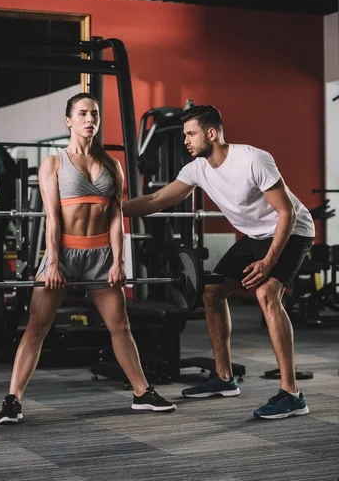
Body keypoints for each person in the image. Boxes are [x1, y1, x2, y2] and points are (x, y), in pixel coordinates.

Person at [123, 104, 315, 420]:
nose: (185, 140)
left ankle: (292, 394)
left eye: (191, 133)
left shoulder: (253, 159)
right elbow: (158, 200)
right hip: (256, 235)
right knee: (212, 293)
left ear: (211, 133)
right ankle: (224, 378)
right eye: (184, 134)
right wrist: (113, 210)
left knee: (267, 295)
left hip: (292, 230)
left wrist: (268, 262)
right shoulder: (196, 169)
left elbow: (287, 212)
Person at [0, 93, 176, 423]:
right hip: (63, 253)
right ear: (69, 121)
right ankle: (13, 399)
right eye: (82, 113)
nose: (90, 119)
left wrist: (119, 262)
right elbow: (51, 217)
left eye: (94, 113)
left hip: (100, 256)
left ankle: (142, 392)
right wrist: (51, 263)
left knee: (120, 326)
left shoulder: (112, 164)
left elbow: (116, 215)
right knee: (37, 326)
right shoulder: (54, 163)